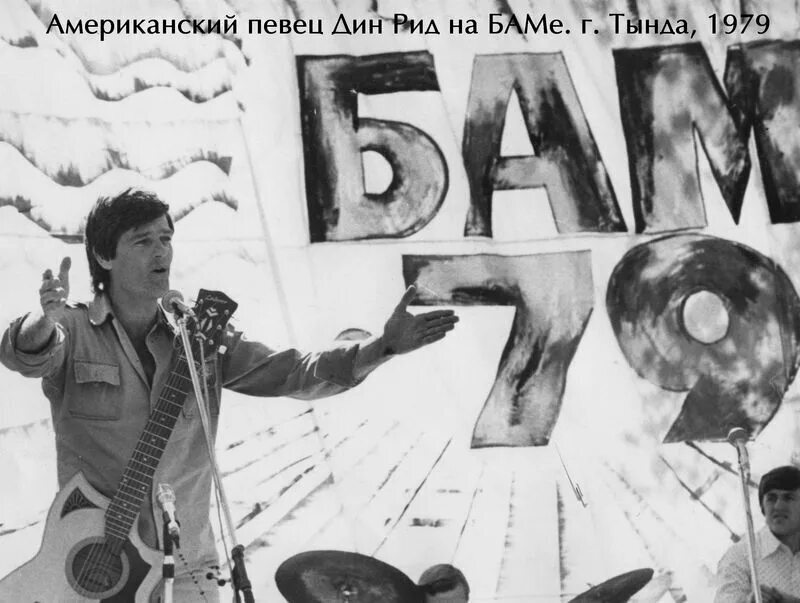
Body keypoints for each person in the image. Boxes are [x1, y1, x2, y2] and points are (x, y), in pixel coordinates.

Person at [0, 188, 459, 602]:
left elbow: (292, 371)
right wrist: (44, 320)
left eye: (166, 239)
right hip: (90, 568)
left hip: (187, 564)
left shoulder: (198, 337)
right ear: (104, 255)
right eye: (142, 242)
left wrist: (382, 347)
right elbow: (25, 353)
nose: (161, 252)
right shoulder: (73, 329)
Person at [714, 465, 800, 603]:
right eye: (771, 498)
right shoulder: (741, 556)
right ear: (762, 506)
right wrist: (749, 601)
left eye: (788, 498)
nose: (778, 506)